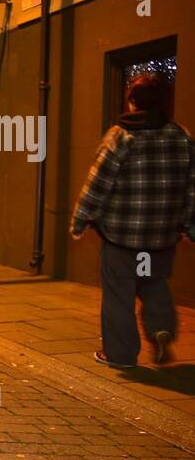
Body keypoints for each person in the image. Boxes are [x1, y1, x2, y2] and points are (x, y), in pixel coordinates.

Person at [71, 73, 195, 368]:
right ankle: (161, 329)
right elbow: (193, 187)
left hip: (121, 238)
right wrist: (190, 225)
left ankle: (121, 355)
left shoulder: (120, 136)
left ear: (132, 101)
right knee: (152, 282)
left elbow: (98, 183)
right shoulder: (181, 137)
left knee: (119, 295)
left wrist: (81, 220)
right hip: (160, 239)